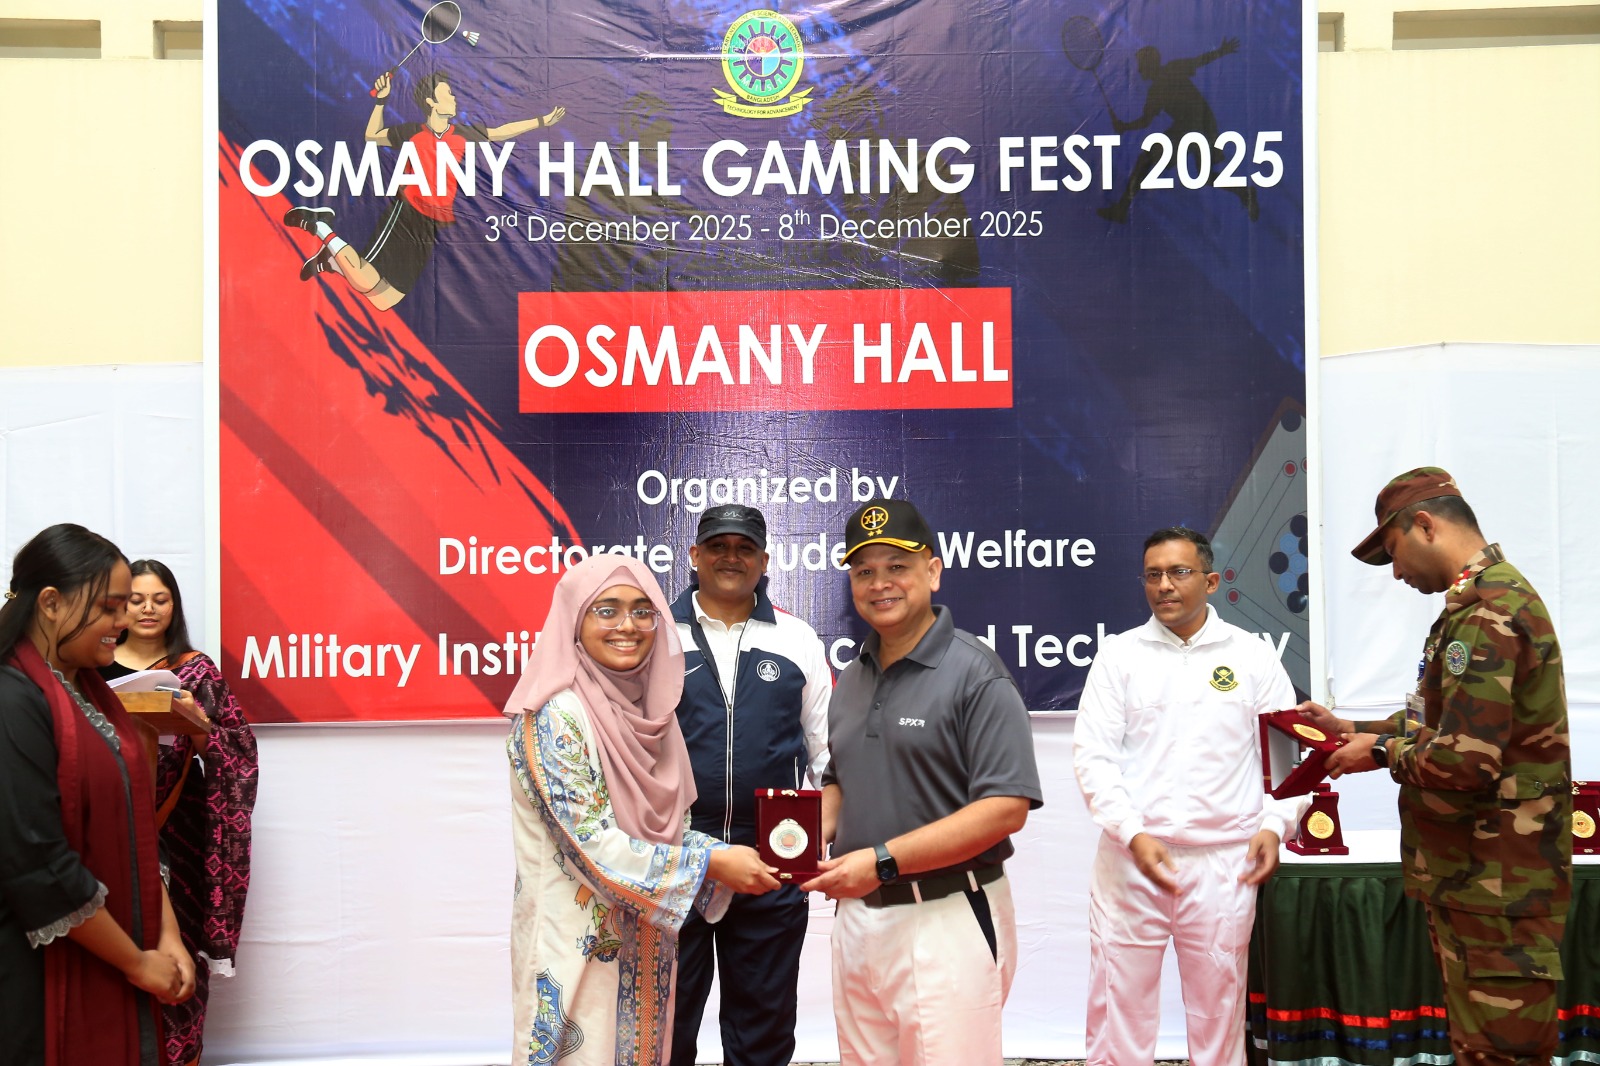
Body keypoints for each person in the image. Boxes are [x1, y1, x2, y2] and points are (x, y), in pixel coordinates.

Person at [1299, 467, 1571, 1066]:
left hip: (1498, 883)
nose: (1397, 572)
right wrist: (1355, 729)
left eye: (1394, 552)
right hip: (1478, 878)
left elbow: (1464, 761)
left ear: (1425, 525)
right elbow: (1447, 722)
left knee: (1502, 1054)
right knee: (1481, 1047)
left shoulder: (1489, 612)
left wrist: (1378, 753)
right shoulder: (1475, 605)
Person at [503, 553, 781, 1066]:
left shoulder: (652, 716)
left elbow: (667, 832)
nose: (627, 625)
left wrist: (733, 854)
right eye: (606, 610)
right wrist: (712, 862)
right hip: (574, 947)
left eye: (641, 610)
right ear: (574, 619)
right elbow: (590, 844)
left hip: (646, 946)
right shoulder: (555, 715)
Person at [802, 499, 1042, 1065]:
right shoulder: (854, 676)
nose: (880, 583)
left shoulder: (977, 672)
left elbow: (1005, 808)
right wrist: (795, 841)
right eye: (864, 571)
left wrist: (882, 861)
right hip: (857, 919)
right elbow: (840, 779)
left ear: (932, 571)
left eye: (897, 567)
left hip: (947, 916)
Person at [1072, 526, 1308, 1066]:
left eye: (1179, 572)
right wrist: (1132, 832)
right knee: (1117, 1007)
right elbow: (1093, 757)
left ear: (1211, 580)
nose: (1164, 586)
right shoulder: (1119, 656)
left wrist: (1276, 825)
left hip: (1225, 862)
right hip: (1132, 860)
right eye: (1153, 575)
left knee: (1218, 1011)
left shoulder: (1252, 656)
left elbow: (1285, 756)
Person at [0, 524, 195, 1065]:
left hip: (116, 948)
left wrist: (167, 934)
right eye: (110, 607)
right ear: (51, 603)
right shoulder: (12, 700)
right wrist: (135, 961)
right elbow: (37, 864)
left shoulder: (87, 692)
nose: (124, 621)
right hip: (38, 971)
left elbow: (136, 828)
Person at [667, 505, 832, 1066]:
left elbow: (826, 754)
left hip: (772, 862)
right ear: (695, 556)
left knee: (763, 1030)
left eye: (744, 548)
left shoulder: (797, 638)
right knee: (664, 1028)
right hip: (677, 858)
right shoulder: (657, 635)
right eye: (718, 546)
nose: (730, 558)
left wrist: (818, 842)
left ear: (764, 560)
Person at [100, 560, 260, 1066]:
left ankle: (181, 1055)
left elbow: (239, 751)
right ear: (118, 604)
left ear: (174, 606)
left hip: (178, 832)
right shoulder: (90, 664)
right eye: (136, 599)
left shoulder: (195, 670)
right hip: (101, 827)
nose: (147, 609)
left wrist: (196, 724)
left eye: (160, 599)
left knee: (178, 949)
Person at [283, 69, 566, 310]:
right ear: (431, 101)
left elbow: (500, 132)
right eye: (448, 94)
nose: (454, 98)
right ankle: (320, 226)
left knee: (385, 300)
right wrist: (381, 101)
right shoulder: (412, 133)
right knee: (365, 278)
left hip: (432, 224)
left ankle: (331, 261)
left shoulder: (462, 134)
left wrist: (541, 121)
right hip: (406, 214)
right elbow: (372, 136)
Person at [1097, 37, 1258, 223]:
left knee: (1145, 160)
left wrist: (1124, 127)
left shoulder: (1172, 71)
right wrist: (1125, 126)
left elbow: (1199, 61)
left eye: (1141, 64)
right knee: (1204, 176)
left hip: (1196, 126)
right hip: (1198, 126)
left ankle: (1122, 208)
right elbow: (1146, 121)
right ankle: (1244, 191)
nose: (1139, 69)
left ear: (1150, 64)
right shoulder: (1156, 90)